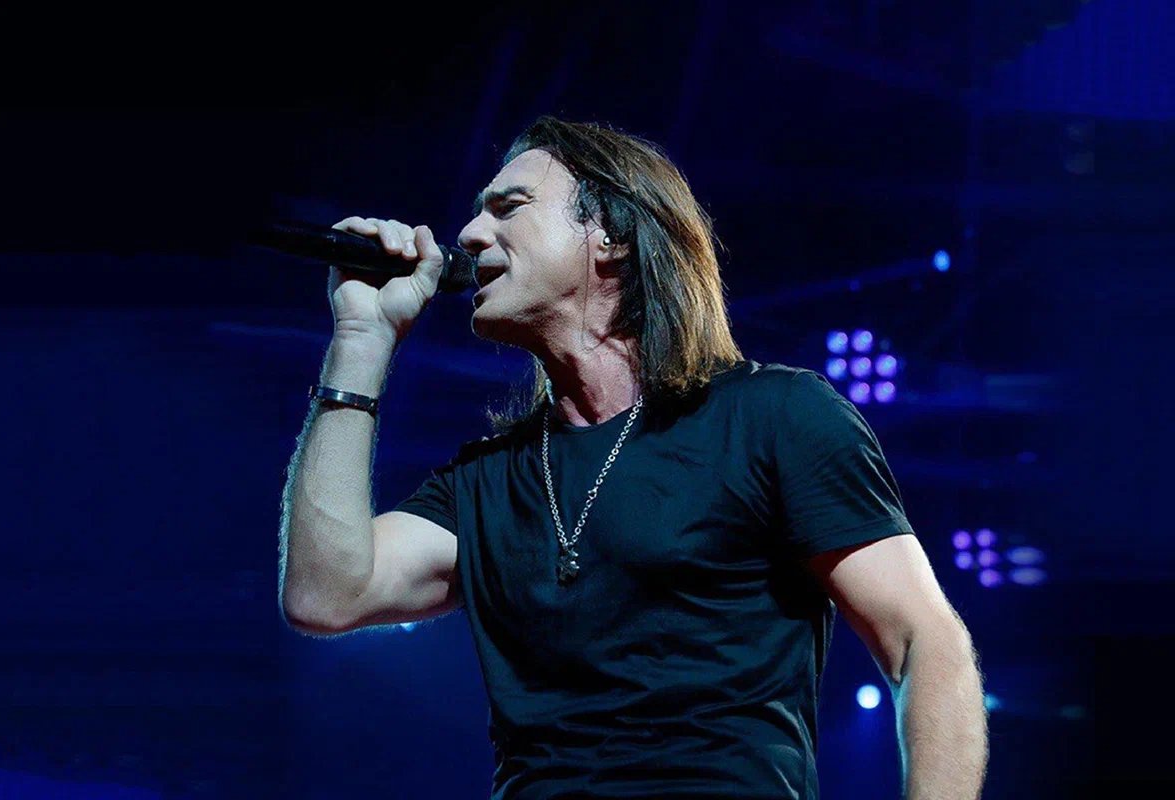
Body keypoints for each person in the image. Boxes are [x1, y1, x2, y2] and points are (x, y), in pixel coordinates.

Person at [279, 116, 988, 799]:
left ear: (611, 235)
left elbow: (923, 640)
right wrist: (360, 343)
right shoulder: (487, 479)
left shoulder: (772, 416)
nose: (469, 234)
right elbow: (326, 595)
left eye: (509, 207)